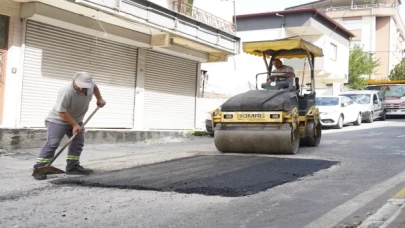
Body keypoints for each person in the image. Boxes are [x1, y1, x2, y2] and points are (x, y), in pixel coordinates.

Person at [32, 72, 106, 180]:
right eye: (80, 86)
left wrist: (99, 98)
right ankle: (39, 168)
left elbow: (94, 87)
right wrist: (74, 125)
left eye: (85, 87)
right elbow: (61, 111)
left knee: (77, 143)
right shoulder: (66, 91)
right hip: (57, 120)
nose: (82, 89)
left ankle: (72, 167)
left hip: (77, 120)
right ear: (73, 81)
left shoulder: (90, 85)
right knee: (52, 143)